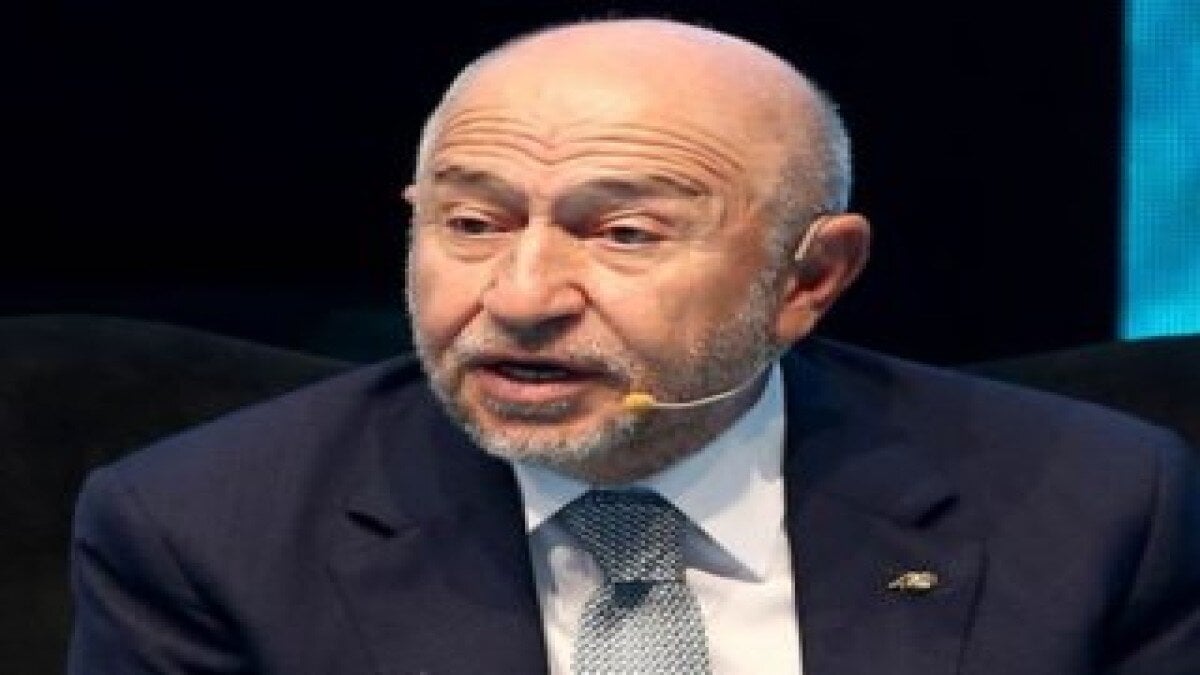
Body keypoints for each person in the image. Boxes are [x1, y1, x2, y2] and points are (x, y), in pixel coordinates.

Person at [68, 19, 1199, 674]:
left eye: (624, 234)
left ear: (809, 278)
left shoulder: (1096, 509)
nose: (520, 297)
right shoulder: (201, 531)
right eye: (472, 222)